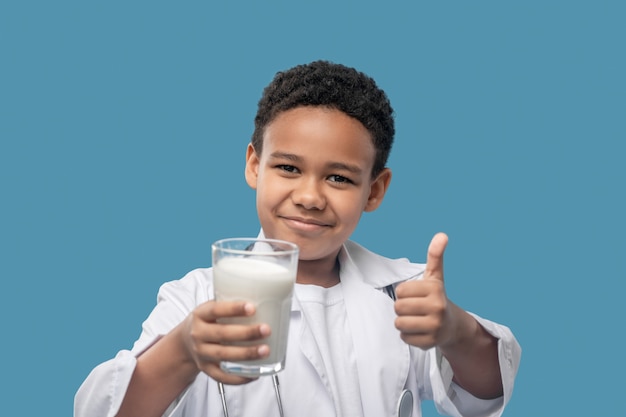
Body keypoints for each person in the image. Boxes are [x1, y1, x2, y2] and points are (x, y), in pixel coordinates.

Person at [75, 60, 521, 417]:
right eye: (288, 168)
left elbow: (483, 392)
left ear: (375, 190)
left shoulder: (404, 295)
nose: (309, 197)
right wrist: (184, 349)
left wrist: (454, 331)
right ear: (254, 165)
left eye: (339, 178)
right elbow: (102, 411)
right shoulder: (195, 299)